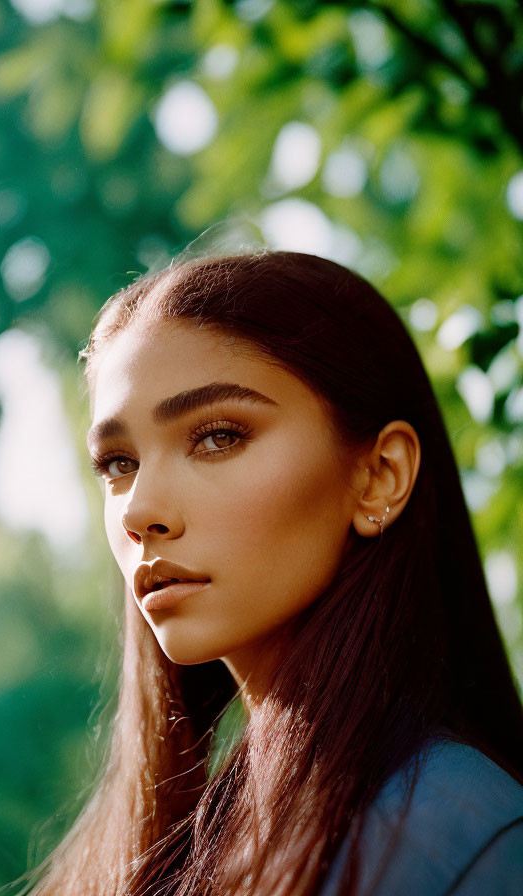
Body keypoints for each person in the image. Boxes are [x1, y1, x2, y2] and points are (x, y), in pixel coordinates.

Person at [31, 251, 523, 895]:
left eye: (217, 436)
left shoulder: (466, 840)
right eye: (118, 463)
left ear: (380, 476)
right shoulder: (164, 854)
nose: (140, 509)